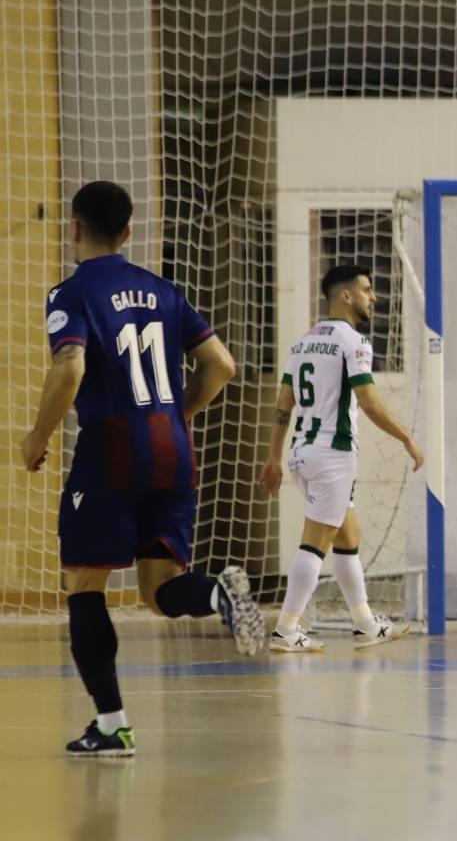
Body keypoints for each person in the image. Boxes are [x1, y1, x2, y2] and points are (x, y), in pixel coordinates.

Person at [20, 181, 263, 757]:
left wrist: (37, 436)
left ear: (73, 228)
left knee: (84, 584)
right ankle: (220, 598)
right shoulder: (162, 290)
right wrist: (177, 416)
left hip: (111, 450)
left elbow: (71, 366)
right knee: (160, 591)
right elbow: (221, 364)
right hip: (174, 449)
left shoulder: (71, 292)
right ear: (128, 232)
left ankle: (111, 724)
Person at [259, 265, 423, 652]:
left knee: (348, 537)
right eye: (367, 289)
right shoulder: (354, 342)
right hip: (333, 454)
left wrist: (273, 457)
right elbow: (368, 401)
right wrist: (407, 439)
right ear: (345, 296)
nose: (373, 297)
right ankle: (286, 629)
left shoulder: (302, 343)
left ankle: (365, 623)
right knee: (315, 543)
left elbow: (284, 404)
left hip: (303, 452)